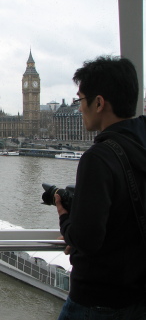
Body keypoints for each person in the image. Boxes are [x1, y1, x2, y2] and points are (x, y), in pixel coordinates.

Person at [55, 56, 146, 319]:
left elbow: (86, 239)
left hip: (97, 301)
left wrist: (65, 218)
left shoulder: (98, 158)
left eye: (81, 100)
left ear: (99, 103)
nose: (80, 108)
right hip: (138, 297)